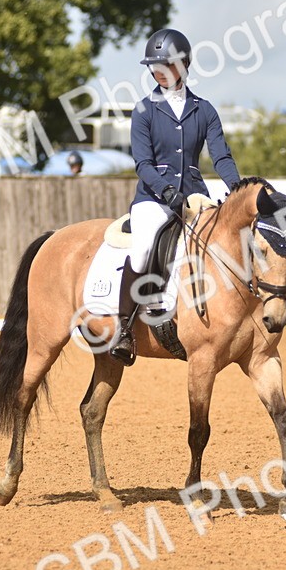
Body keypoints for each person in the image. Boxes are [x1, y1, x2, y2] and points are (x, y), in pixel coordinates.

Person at [110, 28, 241, 365]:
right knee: (142, 249)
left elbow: (221, 156)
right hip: (154, 196)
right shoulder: (144, 110)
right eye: (152, 67)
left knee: (222, 244)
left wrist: (236, 187)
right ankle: (124, 329)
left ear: (183, 64)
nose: (156, 72)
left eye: (163, 65)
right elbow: (142, 162)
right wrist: (165, 189)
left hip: (195, 196)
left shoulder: (205, 110)